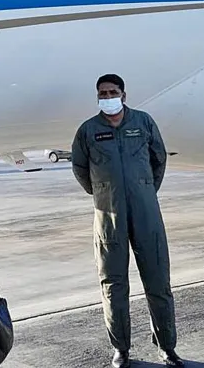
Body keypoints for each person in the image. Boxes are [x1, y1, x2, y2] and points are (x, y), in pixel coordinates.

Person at [71, 73, 184, 368]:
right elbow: (80, 168)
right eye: (103, 93)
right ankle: (121, 349)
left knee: (158, 282)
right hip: (109, 217)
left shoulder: (143, 122)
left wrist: (144, 189)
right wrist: (105, 193)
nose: (108, 97)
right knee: (113, 284)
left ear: (124, 94)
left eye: (113, 92)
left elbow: (158, 159)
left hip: (146, 214)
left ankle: (167, 346)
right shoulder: (88, 131)